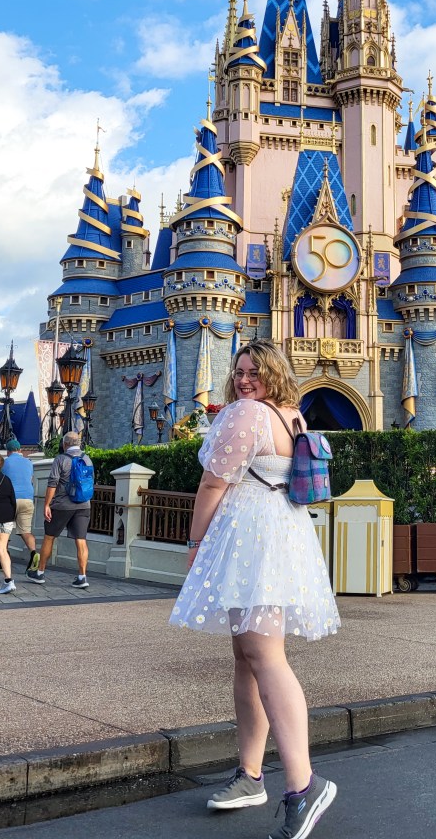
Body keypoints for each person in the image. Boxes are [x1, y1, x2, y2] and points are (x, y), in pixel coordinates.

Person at [170, 340, 340, 839]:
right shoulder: (292, 417)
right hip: (281, 536)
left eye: (255, 371)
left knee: (266, 659)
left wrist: (196, 541)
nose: (244, 380)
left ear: (273, 373)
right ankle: (250, 775)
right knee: (248, 656)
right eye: (240, 371)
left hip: (252, 540)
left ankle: (304, 786)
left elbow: (212, 483)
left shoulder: (247, 414)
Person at [27, 431, 93, 589]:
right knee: (81, 540)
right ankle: (82, 576)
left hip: (62, 505)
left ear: (65, 444)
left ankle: (40, 573)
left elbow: (52, 484)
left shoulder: (61, 459)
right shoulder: (87, 459)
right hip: (84, 504)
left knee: (49, 537)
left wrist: (46, 505)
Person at [1, 438, 38, 572]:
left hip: (10, 500)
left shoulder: (5, 463)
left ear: (8, 451)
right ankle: (34, 553)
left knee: (3, 530)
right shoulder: (29, 463)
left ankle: (3, 559)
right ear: (20, 450)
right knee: (25, 531)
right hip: (27, 499)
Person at [0, 457, 18, 594]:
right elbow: (13, 499)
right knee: (3, 548)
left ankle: (8, 582)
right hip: (7, 516)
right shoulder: (6, 479)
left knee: (0, 549)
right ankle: (8, 580)